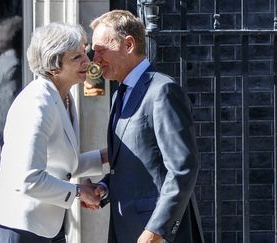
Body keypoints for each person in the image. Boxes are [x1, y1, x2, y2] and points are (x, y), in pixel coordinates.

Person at [0, 22, 108, 243]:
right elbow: (29, 179)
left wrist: (107, 156)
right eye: (76, 57)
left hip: (48, 227)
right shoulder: (37, 103)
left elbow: (62, 164)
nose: (87, 62)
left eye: (85, 53)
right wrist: (79, 191)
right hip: (20, 226)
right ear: (53, 66)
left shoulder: (64, 99)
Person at [89, 10, 204, 243]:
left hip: (155, 234)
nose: (95, 60)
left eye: (101, 50)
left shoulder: (162, 91)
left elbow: (183, 169)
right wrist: (105, 186)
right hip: (126, 228)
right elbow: (137, 164)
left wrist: (157, 231)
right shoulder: (119, 95)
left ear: (129, 44)